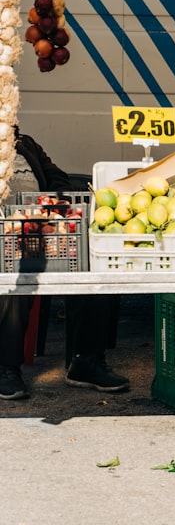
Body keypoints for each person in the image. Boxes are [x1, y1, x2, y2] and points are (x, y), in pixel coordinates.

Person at [0, 127, 129, 400]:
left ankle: (86, 362)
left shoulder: (25, 144)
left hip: (45, 235)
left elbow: (59, 177)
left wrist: (55, 201)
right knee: (14, 282)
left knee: (94, 275)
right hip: (7, 246)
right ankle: (6, 368)